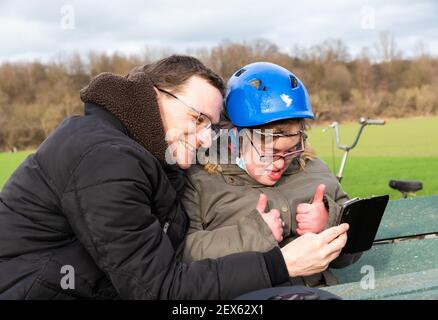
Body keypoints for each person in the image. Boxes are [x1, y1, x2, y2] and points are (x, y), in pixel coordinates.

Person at [0, 56, 349, 299]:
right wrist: (279, 263)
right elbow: (159, 288)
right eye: (197, 119)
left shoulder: (150, 157)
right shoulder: (107, 158)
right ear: (156, 94)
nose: (204, 139)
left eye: (211, 128)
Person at [180, 62, 360, 286]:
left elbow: (354, 250)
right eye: (269, 151)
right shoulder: (199, 180)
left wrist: (329, 221)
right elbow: (184, 255)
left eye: (291, 149)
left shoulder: (313, 168)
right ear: (232, 137)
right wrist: (254, 235)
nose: (279, 163)